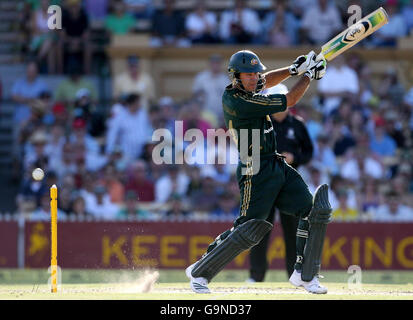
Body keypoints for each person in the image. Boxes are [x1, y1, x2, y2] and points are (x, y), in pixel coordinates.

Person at [185, 49, 331, 294]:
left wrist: (294, 69)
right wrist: (309, 76)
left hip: (275, 163)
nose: (254, 78)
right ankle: (201, 272)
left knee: (315, 210)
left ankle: (305, 274)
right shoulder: (240, 101)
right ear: (235, 76)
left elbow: (268, 80)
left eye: (256, 73)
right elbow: (290, 100)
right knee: (248, 229)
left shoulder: (248, 87)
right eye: (248, 74)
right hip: (255, 168)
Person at [248, 106, 314, 282]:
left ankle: (295, 274)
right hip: (266, 183)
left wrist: (294, 158)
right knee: (260, 228)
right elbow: (250, 151)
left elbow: (308, 151)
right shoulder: (261, 122)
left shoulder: (298, 124)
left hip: (289, 184)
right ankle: (256, 275)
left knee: (293, 231)